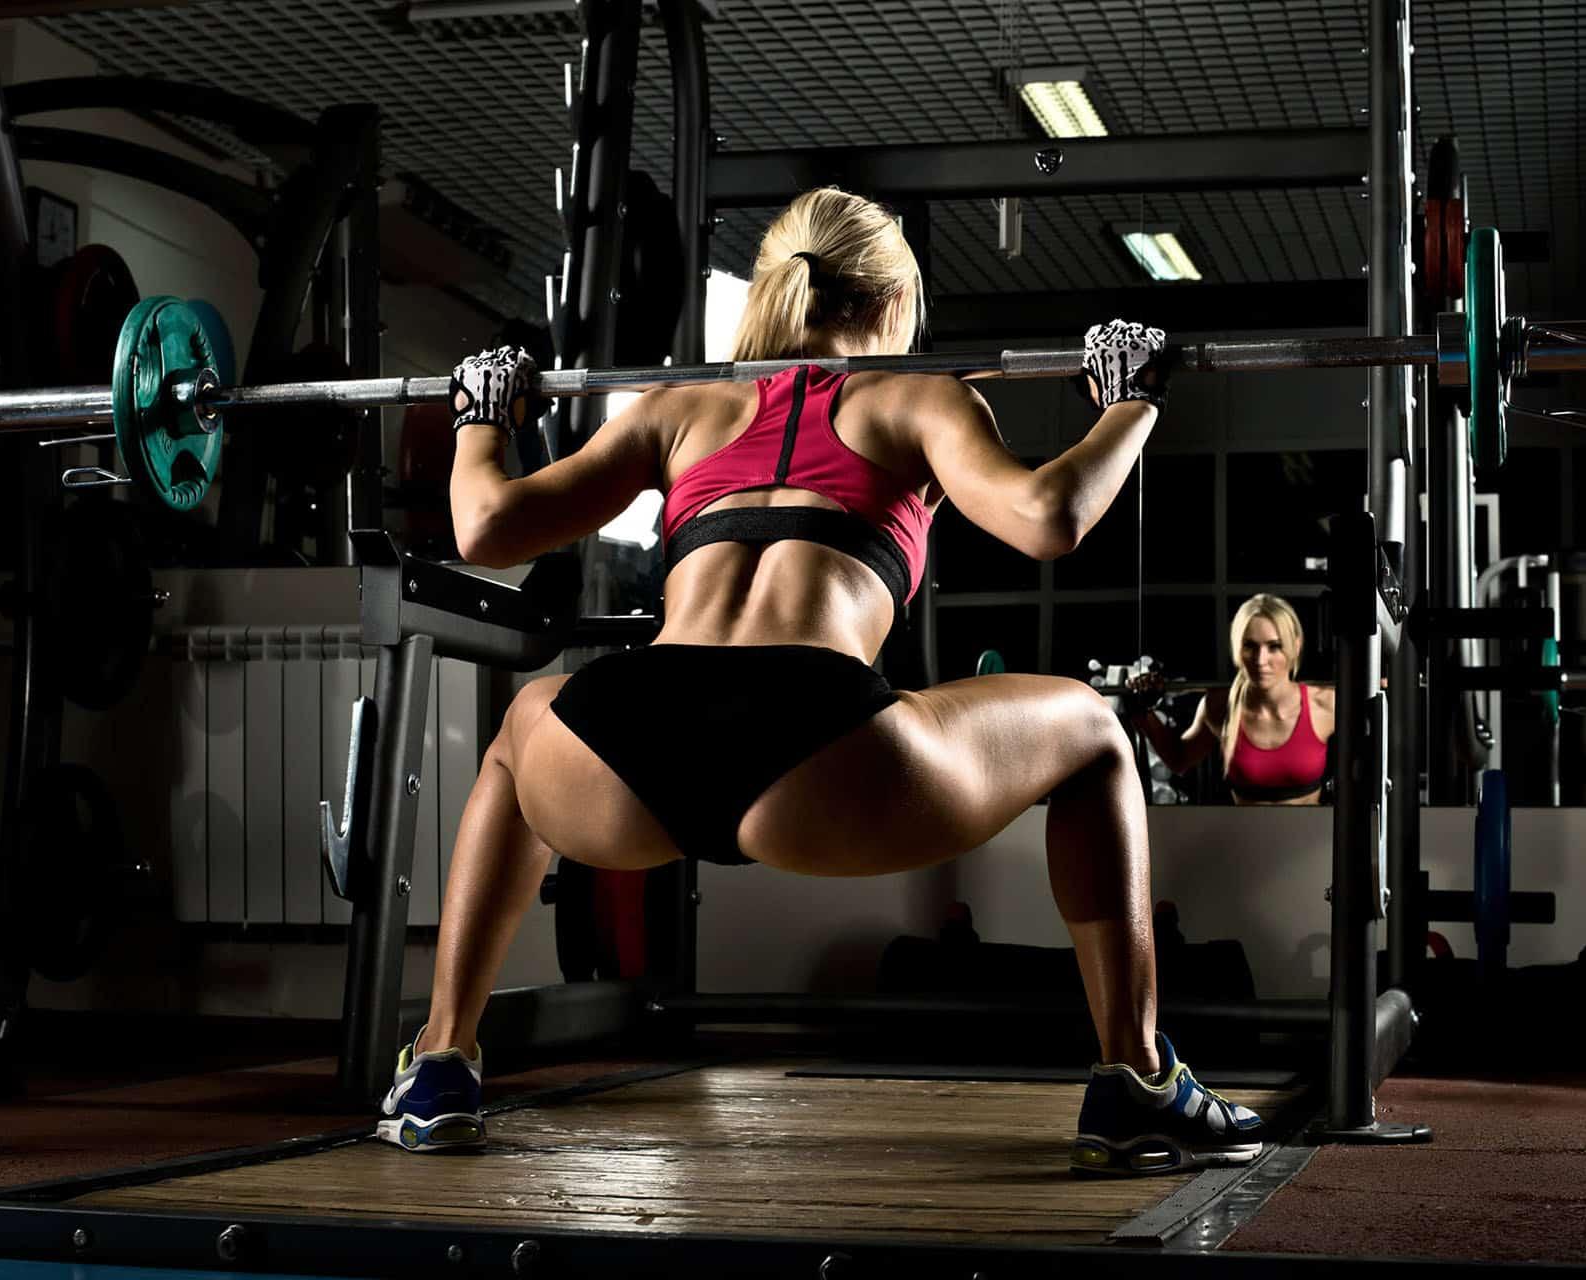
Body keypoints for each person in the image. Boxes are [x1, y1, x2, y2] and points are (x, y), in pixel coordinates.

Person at [377, 187, 1261, 1174]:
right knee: (1095, 729)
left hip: (631, 743)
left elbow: (483, 527)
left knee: (522, 729)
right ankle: (1137, 1079)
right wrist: (1132, 399)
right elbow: (1049, 516)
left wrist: (479, 412)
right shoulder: (919, 395)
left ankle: (442, 1061)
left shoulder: (682, 408)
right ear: (892, 299)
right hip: (819, 748)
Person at [1125, 595, 1333, 805]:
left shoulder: (1326, 705)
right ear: (1236, 648)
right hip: (1244, 833)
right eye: (1250, 646)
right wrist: (1142, 710)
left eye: (1274, 646)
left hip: (1311, 835)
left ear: (1296, 646)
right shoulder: (1219, 706)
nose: (1261, 660)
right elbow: (1179, 760)